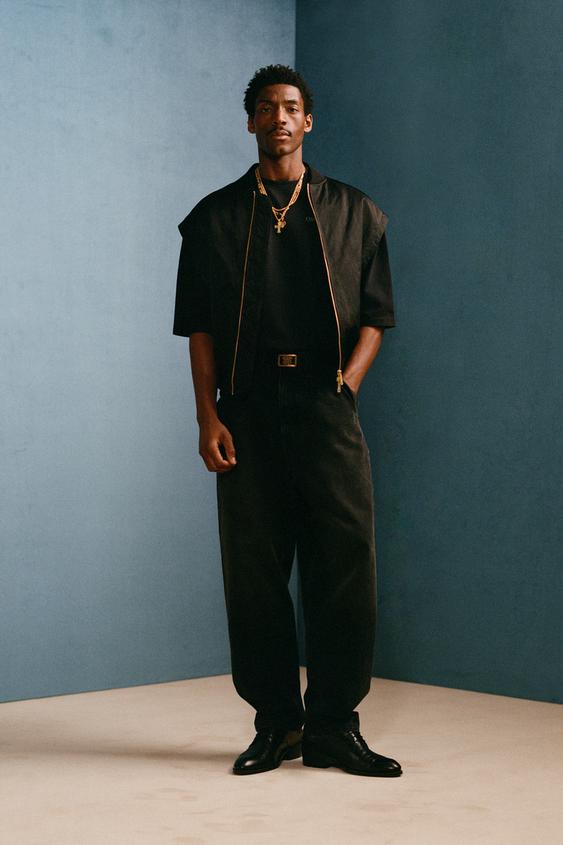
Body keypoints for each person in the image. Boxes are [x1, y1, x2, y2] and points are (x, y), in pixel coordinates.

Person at [172, 64, 402, 778]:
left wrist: (347, 383)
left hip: (325, 405)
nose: (279, 117)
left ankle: (334, 726)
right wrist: (208, 415)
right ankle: (276, 725)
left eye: (291, 107)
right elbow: (199, 328)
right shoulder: (212, 218)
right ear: (250, 121)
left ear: (308, 121)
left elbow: (376, 316)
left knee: (345, 565)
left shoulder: (356, 212)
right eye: (267, 107)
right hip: (245, 408)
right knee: (255, 573)